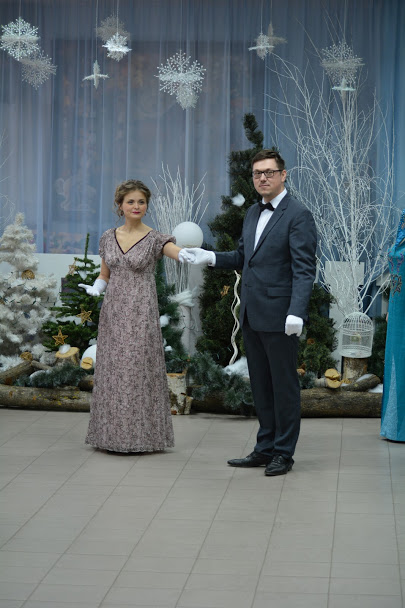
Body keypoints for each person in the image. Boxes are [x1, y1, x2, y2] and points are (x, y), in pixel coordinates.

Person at [181, 150, 317, 475]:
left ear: (283, 175)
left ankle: (283, 453)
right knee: (261, 386)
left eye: (269, 172)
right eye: (258, 173)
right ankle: (264, 448)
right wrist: (210, 257)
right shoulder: (253, 213)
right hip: (252, 314)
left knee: (283, 387)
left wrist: (296, 312)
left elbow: (304, 269)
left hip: (282, 316)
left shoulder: (298, 215)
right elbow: (244, 258)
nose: (263, 178)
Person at [79, 179, 186, 453]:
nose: (136, 206)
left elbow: (175, 252)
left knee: (138, 371)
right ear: (120, 205)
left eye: (141, 202)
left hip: (141, 314)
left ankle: (143, 437)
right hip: (113, 313)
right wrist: (96, 287)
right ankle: (111, 437)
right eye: (131, 202)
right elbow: (105, 274)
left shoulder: (156, 238)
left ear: (147, 205)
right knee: (113, 372)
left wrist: (189, 255)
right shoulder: (108, 237)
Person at [380, 209, 405, 442]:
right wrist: (390, 308)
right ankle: (393, 427)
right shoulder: (403, 223)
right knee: (396, 359)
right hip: (398, 311)